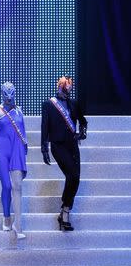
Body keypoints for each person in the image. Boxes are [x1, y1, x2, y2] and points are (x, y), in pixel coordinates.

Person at [41, 76, 87, 231]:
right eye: (65, 86)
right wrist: (44, 148)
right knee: (72, 176)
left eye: (69, 87)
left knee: (76, 179)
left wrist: (82, 132)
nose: (67, 89)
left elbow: (83, 121)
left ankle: (64, 211)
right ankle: (66, 211)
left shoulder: (73, 103)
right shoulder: (48, 104)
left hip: (72, 146)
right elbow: (45, 126)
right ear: (59, 86)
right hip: (58, 146)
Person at [0, 82, 28, 239]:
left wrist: (25, 146)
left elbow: (23, 130)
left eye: (12, 94)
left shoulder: (19, 111)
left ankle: (18, 226)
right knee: (6, 185)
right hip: (2, 150)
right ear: (2, 94)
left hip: (16, 148)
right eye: (6, 94)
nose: (9, 97)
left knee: (17, 186)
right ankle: (6, 216)